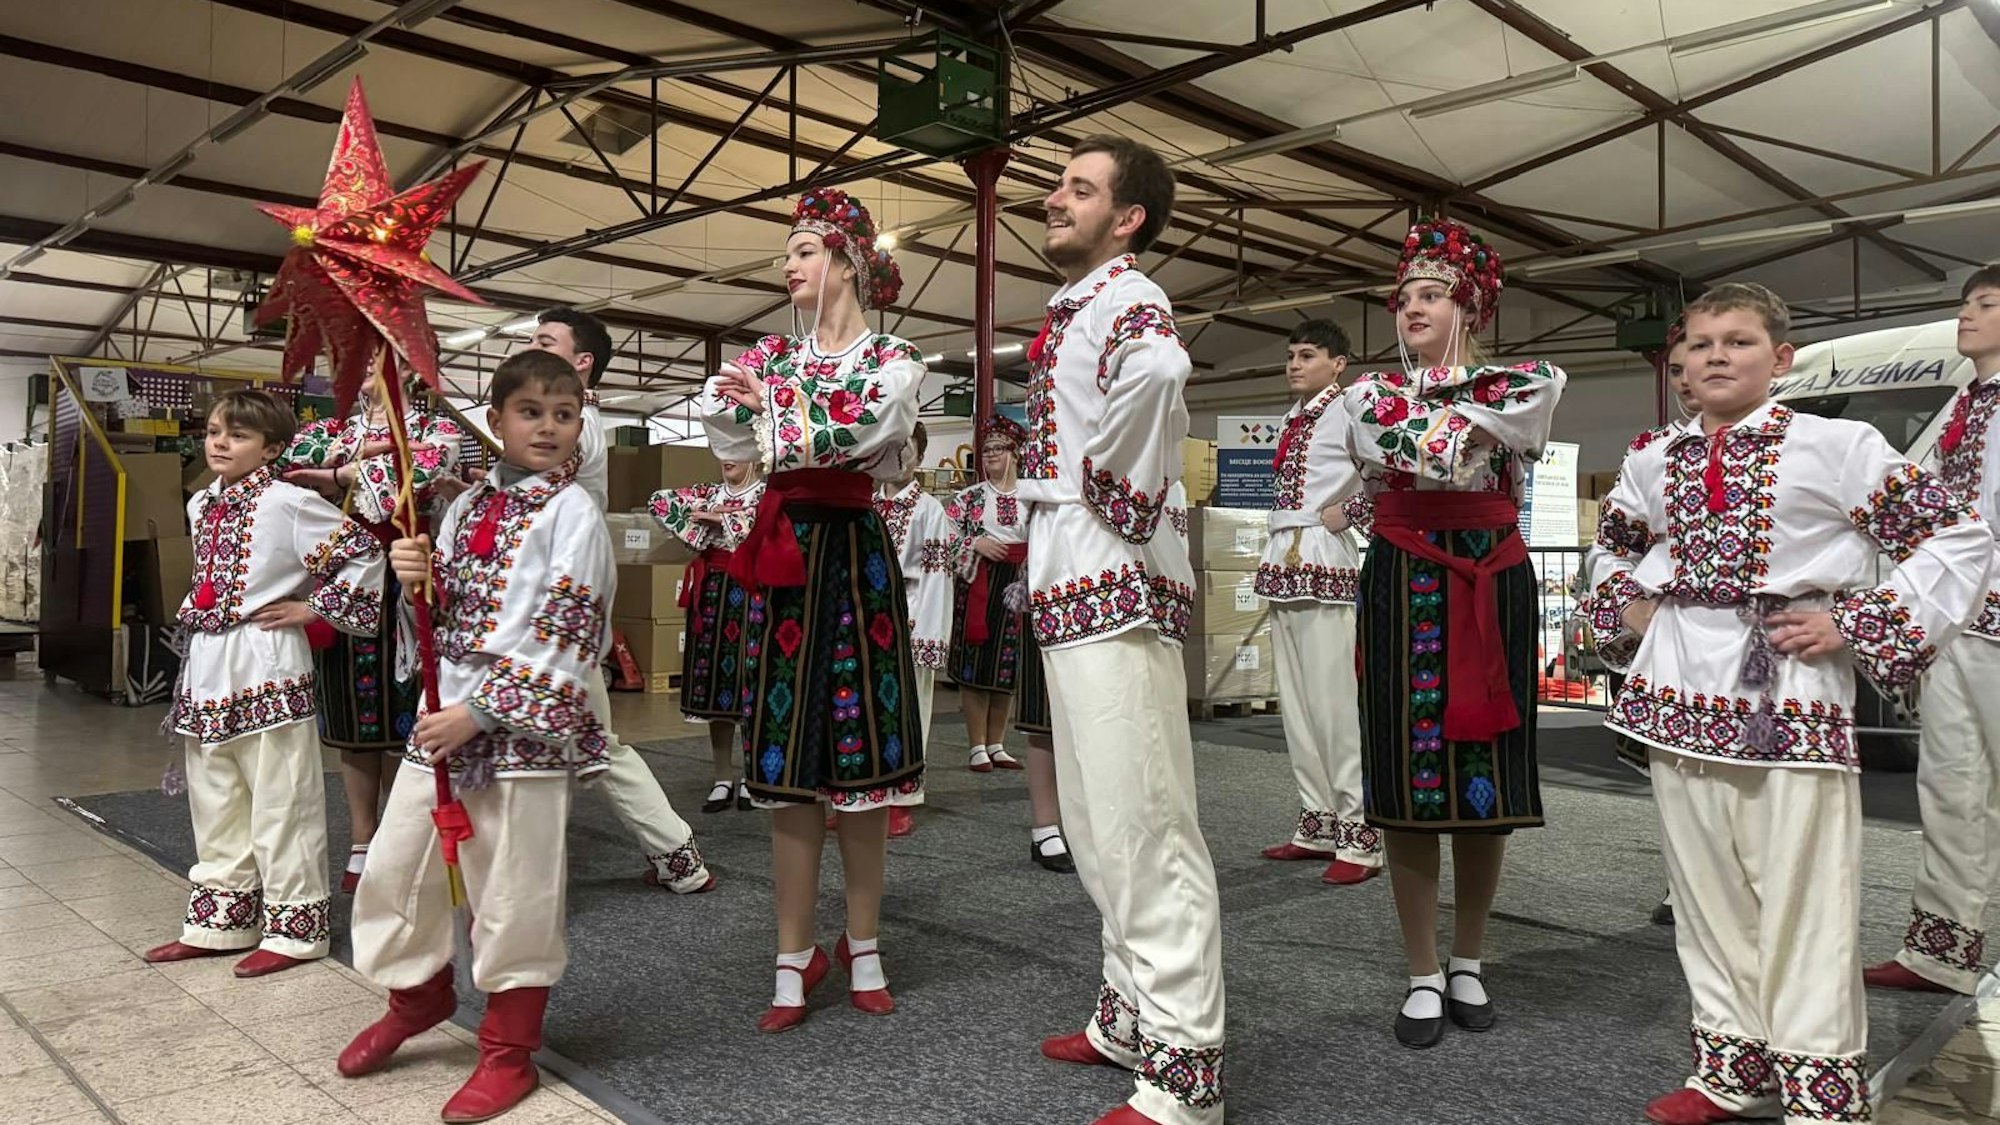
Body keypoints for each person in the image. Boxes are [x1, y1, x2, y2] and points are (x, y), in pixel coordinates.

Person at [1587, 282, 1990, 1125]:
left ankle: (1819, 1089)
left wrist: (1856, 619)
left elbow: (1955, 534)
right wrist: (1623, 604)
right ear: (1681, 364)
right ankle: (1731, 1067)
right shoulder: (1653, 457)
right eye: (1699, 344)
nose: (1715, 356)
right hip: (1676, 695)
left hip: (1789, 692)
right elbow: (1613, 547)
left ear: (1779, 360)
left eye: (1736, 341)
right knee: (1704, 891)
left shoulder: (1835, 445)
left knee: (1803, 893)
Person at [340, 350, 615, 1123]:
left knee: (513, 887)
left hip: (514, 724)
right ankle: (418, 994)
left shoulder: (576, 514)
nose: (550, 427)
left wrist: (483, 710)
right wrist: (415, 579)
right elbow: (440, 620)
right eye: (532, 412)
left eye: (565, 414)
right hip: (442, 716)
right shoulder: (461, 506)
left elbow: (570, 628)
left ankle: (507, 1049)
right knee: (398, 867)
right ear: (495, 422)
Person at [1019, 135, 1220, 1125]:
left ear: (1126, 216)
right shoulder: (1085, 305)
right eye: (1059, 184)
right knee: (1100, 822)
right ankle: (1132, 1014)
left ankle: (1186, 1068)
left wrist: (1105, 497)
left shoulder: (1129, 303)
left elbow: (1158, 374)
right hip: (1076, 581)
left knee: (1143, 827)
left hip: (1111, 579)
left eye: (1077, 187)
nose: (1054, 198)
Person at [702, 187, 924, 1033]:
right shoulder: (774, 360)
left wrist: (771, 408)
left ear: (846, 259)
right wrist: (741, 409)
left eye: (802, 249)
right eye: (787, 252)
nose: (788, 265)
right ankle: (793, 953)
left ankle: (863, 941)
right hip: (786, 554)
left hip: (854, 559)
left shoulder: (894, 359)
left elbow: (864, 435)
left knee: (863, 770)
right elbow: (735, 450)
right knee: (790, 771)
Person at [1343, 217, 1564, 1050]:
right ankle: (1423, 968)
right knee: (1407, 774)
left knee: (1484, 775)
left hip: (1490, 574)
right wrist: (1466, 420)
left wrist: (1454, 420)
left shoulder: (1526, 379)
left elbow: (1499, 419)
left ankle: (1471, 955)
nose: (1412, 309)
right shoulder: (1368, 394)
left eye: (1431, 295)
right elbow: (1424, 447)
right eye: (1404, 299)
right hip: (1404, 576)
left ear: (1468, 305)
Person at [147, 389, 384, 977]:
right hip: (207, 660)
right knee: (216, 793)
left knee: (282, 796)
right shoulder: (202, 502)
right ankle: (221, 921)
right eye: (215, 431)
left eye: (239, 435)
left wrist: (314, 609)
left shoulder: (288, 502)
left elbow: (362, 552)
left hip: (266, 656)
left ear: (272, 448)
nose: (221, 442)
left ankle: (295, 928)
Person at [514, 308, 713, 894]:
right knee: (588, 739)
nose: (530, 347)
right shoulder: (561, 423)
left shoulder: (576, 427)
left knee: (579, 740)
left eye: (545, 342)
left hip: (554, 601)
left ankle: (510, 878)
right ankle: (677, 856)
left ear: (582, 364)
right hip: (543, 596)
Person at [1867, 265, 2000, 996]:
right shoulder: (1963, 403)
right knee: (1950, 783)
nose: (1967, 314)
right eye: (1966, 302)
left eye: (1986, 303)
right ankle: (1941, 950)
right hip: (1957, 623)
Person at [282, 373, 463, 892]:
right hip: (341, 580)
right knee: (350, 720)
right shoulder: (329, 427)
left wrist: (335, 475)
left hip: (409, 576)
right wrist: (360, 461)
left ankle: (401, 837)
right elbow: (290, 469)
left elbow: (397, 490)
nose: (363, 371)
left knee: (407, 714)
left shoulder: (436, 428)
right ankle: (363, 839)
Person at [1254, 318, 1381, 886]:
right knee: (1298, 703)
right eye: (1290, 355)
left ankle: (1361, 831)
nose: (1294, 364)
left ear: (1338, 363)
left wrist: (1349, 514)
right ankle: (1318, 821)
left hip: (1325, 554)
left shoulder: (1352, 408)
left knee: (1334, 704)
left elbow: (1387, 473)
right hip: (1285, 554)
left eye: (1307, 355)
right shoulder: (1292, 417)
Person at [649, 458, 764, 814]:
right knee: (715, 684)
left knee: (750, 684)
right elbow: (660, 500)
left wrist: (724, 519)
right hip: (712, 593)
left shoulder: (766, 493)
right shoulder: (710, 493)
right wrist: (704, 518)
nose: (728, 459)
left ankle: (751, 775)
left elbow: (770, 529)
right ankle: (722, 776)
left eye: (736, 450)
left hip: (752, 592)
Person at [873, 421, 952, 839]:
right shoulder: (867, 503)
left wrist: (929, 632)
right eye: (892, 449)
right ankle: (866, 794)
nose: (899, 458)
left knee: (910, 711)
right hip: (868, 619)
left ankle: (903, 798)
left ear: (920, 457)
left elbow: (938, 577)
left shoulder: (930, 511)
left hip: (911, 616)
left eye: (908, 450)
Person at [947, 417, 1032, 772]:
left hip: (1019, 582)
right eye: (987, 450)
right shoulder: (968, 498)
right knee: (976, 664)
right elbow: (944, 538)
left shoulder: (1032, 496)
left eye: (999, 448)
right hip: (979, 582)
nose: (991, 455)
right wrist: (975, 543)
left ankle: (997, 742)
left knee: (1008, 665)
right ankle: (976, 745)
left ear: (1015, 453)